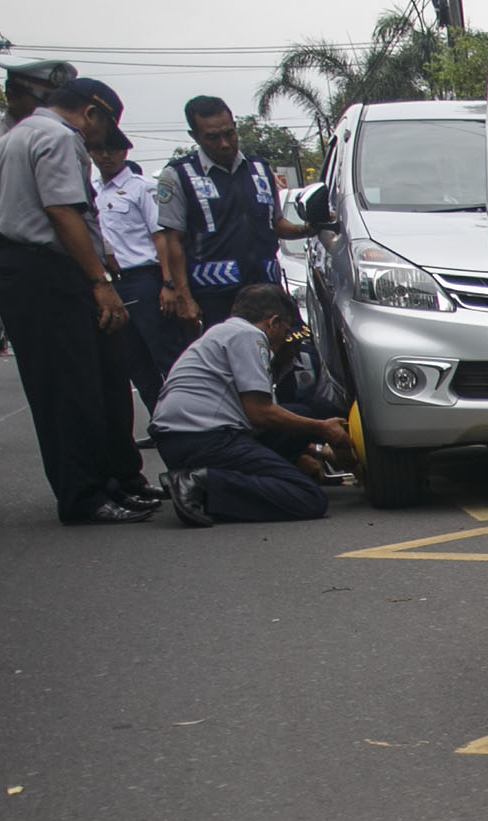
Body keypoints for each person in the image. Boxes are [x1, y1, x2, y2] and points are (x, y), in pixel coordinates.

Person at [0, 77, 162, 525]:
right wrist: (99, 280)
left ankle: (117, 481)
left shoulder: (10, 137)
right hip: (45, 269)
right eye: (104, 129)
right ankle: (84, 495)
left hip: (29, 266)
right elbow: (62, 210)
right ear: (92, 113)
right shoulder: (60, 137)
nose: (100, 143)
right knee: (70, 388)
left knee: (100, 378)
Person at [153, 284, 352, 527]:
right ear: (273, 322)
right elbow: (260, 413)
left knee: (304, 413)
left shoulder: (221, 332)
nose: (285, 339)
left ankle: (211, 481)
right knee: (308, 497)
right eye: (285, 330)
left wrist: (307, 449)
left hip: (180, 438)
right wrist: (321, 428)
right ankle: (202, 482)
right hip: (205, 438)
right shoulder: (250, 336)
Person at [155, 96, 311, 345]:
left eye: (229, 133)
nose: (225, 144)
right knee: (231, 363)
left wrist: (309, 228)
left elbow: (277, 224)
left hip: (267, 292)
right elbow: (173, 241)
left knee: (289, 357)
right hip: (216, 299)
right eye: (212, 137)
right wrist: (184, 297)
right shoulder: (178, 175)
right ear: (195, 136)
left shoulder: (260, 169)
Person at [89, 131, 169, 432]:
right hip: (110, 284)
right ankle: (161, 424)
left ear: (125, 152)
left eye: (112, 149)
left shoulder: (142, 188)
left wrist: (169, 284)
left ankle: (191, 423)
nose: (105, 155)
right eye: (98, 149)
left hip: (143, 279)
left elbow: (160, 237)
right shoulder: (91, 191)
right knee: (134, 362)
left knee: (164, 355)